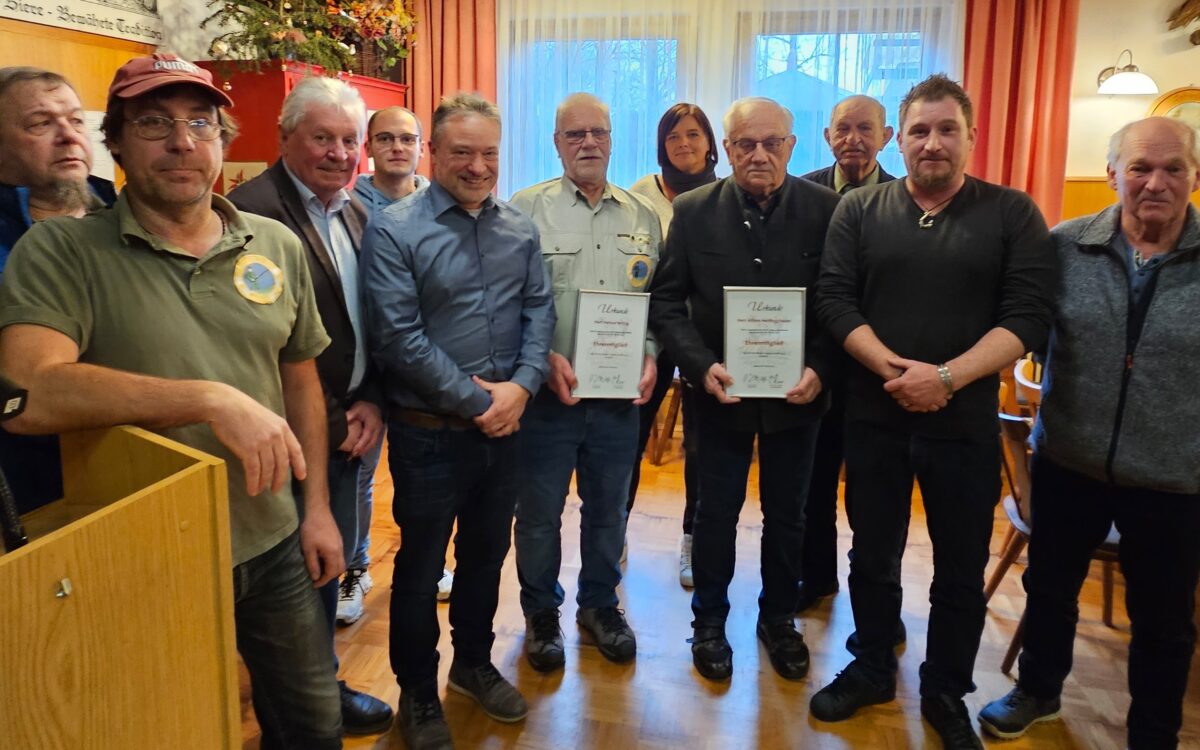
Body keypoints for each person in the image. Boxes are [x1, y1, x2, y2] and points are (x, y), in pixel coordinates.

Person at [0, 52, 346, 748]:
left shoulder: (274, 245)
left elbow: (300, 380)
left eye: (200, 123)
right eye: (155, 123)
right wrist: (208, 398)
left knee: (312, 724)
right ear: (119, 143)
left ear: (223, 140)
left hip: (273, 532)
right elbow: (28, 392)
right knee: (168, 724)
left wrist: (317, 512)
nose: (182, 143)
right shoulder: (62, 252)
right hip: (146, 545)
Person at [813, 74, 1056, 749]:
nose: (933, 142)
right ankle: (869, 667)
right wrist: (896, 371)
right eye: (920, 129)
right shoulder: (859, 210)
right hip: (875, 415)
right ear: (903, 136)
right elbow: (834, 301)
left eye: (947, 129)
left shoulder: (1012, 213)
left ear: (971, 137)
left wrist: (946, 377)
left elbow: (1027, 317)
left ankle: (946, 688)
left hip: (963, 427)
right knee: (872, 553)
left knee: (958, 564)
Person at [978, 117, 1200, 750]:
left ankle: (1152, 734)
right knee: (1049, 589)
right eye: (1139, 167)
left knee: (1164, 621)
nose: (1155, 183)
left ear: (1195, 176)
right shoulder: (1063, 246)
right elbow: (1018, 330)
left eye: (1173, 168)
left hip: (1174, 476)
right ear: (1112, 174)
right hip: (1070, 458)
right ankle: (1039, 691)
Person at [361, 92, 555, 750]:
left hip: (506, 432)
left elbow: (539, 314)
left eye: (490, 153)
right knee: (418, 569)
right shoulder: (393, 228)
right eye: (463, 152)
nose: (478, 166)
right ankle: (417, 690)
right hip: (428, 436)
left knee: (483, 556)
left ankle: (472, 665)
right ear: (434, 152)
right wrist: (481, 402)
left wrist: (523, 389)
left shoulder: (519, 227)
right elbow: (398, 338)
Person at [648, 96, 839, 683]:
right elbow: (666, 300)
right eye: (744, 145)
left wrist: (821, 367)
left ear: (792, 146)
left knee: (790, 515)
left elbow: (840, 303)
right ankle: (708, 623)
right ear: (725, 149)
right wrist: (699, 365)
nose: (758, 154)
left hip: (798, 397)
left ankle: (778, 619)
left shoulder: (828, 210)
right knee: (714, 514)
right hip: (719, 394)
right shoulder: (696, 210)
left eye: (771, 143)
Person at [227, 76, 392, 736]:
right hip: (288, 435)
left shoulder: (355, 211)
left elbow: (371, 321)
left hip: (353, 424)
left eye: (349, 140)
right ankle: (299, 704)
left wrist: (371, 399)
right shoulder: (249, 215)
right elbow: (257, 350)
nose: (338, 152)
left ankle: (319, 683)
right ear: (284, 138)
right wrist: (331, 409)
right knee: (296, 576)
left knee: (330, 559)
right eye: (322, 137)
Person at [509, 92, 660, 671]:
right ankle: (540, 613)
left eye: (597, 132)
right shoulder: (525, 210)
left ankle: (599, 605)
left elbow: (656, 301)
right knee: (540, 513)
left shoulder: (642, 215)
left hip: (618, 402)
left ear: (612, 138)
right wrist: (541, 357)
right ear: (557, 143)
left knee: (608, 511)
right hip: (548, 399)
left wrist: (649, 354)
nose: (588, 144)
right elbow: (510, 302)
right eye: (575, 135)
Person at [342, 104, 449, 625]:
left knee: (424, 475)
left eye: (408, 139)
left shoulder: (439, 202)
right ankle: (355, 570)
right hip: (365, 363)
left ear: (422, 147)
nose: (397, 149)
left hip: (422, 362)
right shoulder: (346, 202)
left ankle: (431, 563)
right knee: (359, 474)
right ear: (370, 146)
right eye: (385, 139)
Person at [797, 94, 898, 617]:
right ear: (827, 136)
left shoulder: (906, 199)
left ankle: (876, 605)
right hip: (815, 366)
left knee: (872, 499)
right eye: (843, 128)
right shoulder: (803, 193)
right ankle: (814, 579)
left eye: (865, 129)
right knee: (812, 485)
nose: (853, 139)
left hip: (876, 373)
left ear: (887, 136)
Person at [0, 67, 116, 514]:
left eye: (75, 120)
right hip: (38, 490)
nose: (68, 136)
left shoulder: (128, 215)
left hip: (151, 465)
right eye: (40, 123)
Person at [627, 102, 719, 589]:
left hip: (703, 337)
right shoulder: (640, 194)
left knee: (701, 446)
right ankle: (614, 531)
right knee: (631, 437)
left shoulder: (725, 196)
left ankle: (691, 540)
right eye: (672, 137)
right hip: (649, 336)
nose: (683, 144)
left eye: (692, 134)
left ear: (709, 142)